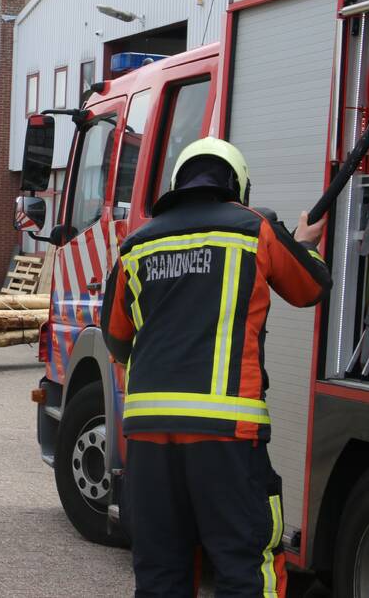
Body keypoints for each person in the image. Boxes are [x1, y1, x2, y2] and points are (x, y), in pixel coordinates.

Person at [101, 137, 330, 598]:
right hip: (226, 436)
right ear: (237, 186)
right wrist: (305, 246)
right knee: (245, 567)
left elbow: (116, 336)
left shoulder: (136, 244)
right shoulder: (253, 228)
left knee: (160, 572)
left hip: (148, 436)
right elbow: (309, 288)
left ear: (177, 182)